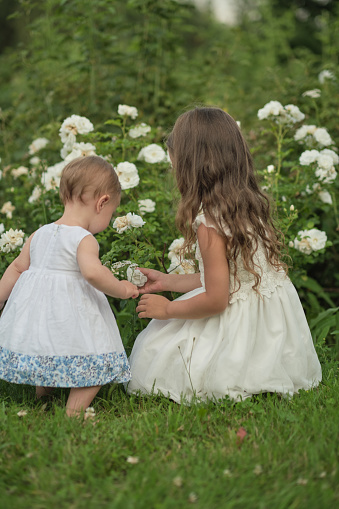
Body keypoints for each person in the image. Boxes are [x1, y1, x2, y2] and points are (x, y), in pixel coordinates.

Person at [127, 107, 322, 403]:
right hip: (271, 323)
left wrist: (167, 310)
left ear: (192, 167)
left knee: (158, 350)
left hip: (237, 321)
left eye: (175, 164)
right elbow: (229, 278)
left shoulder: (210, 223)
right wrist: (167, 281)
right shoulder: (247, 206)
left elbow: (217, 300)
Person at [0, 156, 139, 417]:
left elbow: (18, 268)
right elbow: (92, 273)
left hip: (42, 317)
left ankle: (44, 398)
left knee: (47, 350)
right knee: (97, 358)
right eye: (111, 214)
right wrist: (122, 288)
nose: (108, 220)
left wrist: (0, 296)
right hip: (72, 315)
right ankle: (74, 412)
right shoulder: (83, 238)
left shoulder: (39, 233)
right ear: (102, 203)